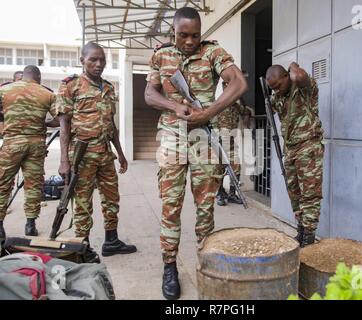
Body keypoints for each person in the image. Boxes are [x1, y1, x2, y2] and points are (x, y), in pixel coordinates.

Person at [145, 7, 248, 300]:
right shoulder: (161, 56)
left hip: (204, 139)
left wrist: (209, 112)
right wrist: (176, 107)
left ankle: (207, 265)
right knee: (171, 206)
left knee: (205, 208)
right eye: (183, 35)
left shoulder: (213, 53)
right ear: (172, 32)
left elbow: (239, 83)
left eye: (195, 35)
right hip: (172, 138)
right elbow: (150, 95)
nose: (190, 41)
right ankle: (169, 267)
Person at [55, 42, 137, 260]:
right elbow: (64, 126)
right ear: (82, 60)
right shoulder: (70, 86)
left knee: (112, 199)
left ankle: (111, 241)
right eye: (93, 59)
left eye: (102, 60)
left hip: (105, 155)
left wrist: (120, 152)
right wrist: (64, 160)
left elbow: (111, 124)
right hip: (81, 156)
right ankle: (83, 248)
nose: (99, 64)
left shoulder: (108, 88)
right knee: (83, 203)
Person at [265, 63, 325, 248]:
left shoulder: (304, 89)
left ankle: (309, 236)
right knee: (294, 193)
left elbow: (299, 76)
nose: (276, 91)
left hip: (308, 147)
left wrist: (293, 65)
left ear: (286, 76)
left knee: (310, 195)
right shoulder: (278, 97)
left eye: (278, 86)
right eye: (272, 88)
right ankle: (301, 229)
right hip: (290, 149)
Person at [0, 66, 56, 241]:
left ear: (23, 76)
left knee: (2, 183)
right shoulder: (47, 93)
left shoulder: (5, 89)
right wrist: (42, 122)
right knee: (33, 185)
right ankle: (30, 224)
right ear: (38, 77)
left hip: (12, 144)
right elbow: (58, 118)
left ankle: (0, 226)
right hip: (36, 145)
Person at [216, 76, 253, 206]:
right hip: (219, 142)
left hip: (231, 143)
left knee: (236, 167)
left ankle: (232, 194)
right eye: (228, 86)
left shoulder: (235, 106)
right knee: (219, 169)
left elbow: (246, 111)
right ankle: (220, 193)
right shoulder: (217, 104)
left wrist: (240, 96)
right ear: (224, 88)